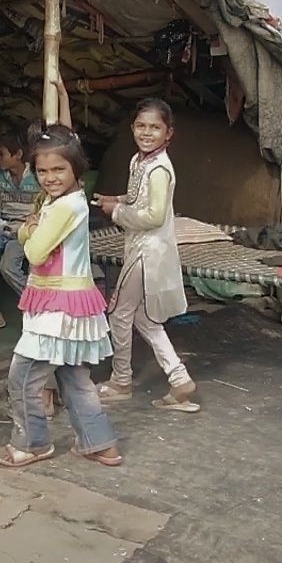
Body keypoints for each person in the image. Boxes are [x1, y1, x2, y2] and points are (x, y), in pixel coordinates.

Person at [0, 123, 121, 468]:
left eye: (58, 169)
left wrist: (28, 229)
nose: (50, 177)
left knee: (23, 378)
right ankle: (100, 443)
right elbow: (33, 235)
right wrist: (32, 228)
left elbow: (35, 252)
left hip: (56, 308)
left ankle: (32, 444)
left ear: (76, 168)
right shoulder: (66, 200)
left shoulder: (64, 207)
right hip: (71, 304)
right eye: (42, 171)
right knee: (73, 377)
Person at [94, 99, 198, 413]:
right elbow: (139, 197)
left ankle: (120, 380)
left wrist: (116, 212)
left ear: (168, 133)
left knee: (119, 314)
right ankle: (179, 379)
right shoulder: (139, 161)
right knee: (144, 318)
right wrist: (117, 198)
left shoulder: (160, 169)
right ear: (132, 128)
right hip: (141, 249)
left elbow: (154, 216)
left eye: (155, 127)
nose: (146, 132)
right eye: (141, 126)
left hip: (147, 252)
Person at [0, 131, 40, 328]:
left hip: (28, 230)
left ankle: (36, 304)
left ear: (18, 154)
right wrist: (3, 226)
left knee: (8, 266)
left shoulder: (38, 176)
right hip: (2, 226)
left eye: (1, 153)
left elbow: (46, 211)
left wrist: (26, 227)